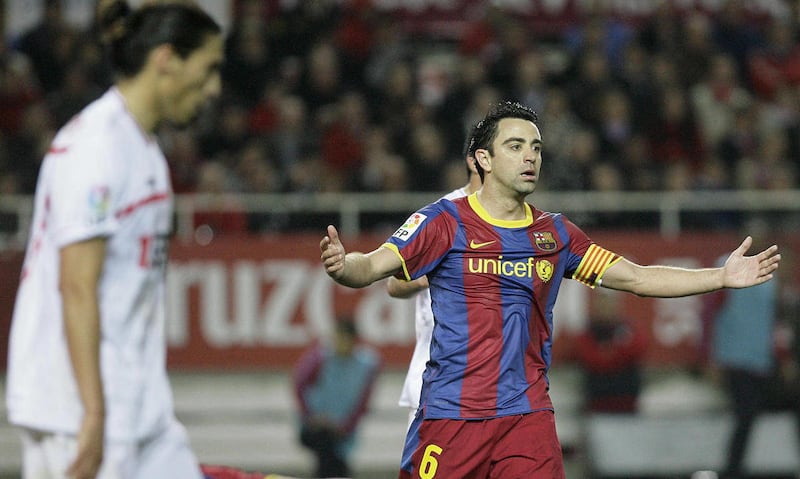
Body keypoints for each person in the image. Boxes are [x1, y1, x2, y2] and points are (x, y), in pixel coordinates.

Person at [318, 101, 781, 478]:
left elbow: (637, 278)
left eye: (536, 148)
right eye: (515, 146)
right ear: (484, 159)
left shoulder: (555, 235)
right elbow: (372, 267)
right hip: (450, 416)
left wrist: (719, 277)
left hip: (526, 417)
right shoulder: (442, 222)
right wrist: (343, 266)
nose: (530, 157)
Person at [5, 2, 223, 479]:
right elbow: (76, 286)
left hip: (139, 409)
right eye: (208, 69)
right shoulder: (95, 148)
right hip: (75, 411)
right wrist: (93, 414)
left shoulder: (143, 150)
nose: (214, 88)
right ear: (167, 60)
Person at [387, 143, 482, 428]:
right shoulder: (442, 215)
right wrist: (431, 275)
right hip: (436, 384)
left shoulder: (521, 221)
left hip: (496, 389)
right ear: (477, 160)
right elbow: (394, 283)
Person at [701, 219, 780, 479]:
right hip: (734, 358)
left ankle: (739, 467)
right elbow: (710, 314)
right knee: (744, 415)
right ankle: (733, 470)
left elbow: (769, 320)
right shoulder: (727, 266)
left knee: (749, 416)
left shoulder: (770, 274)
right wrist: (710, 356)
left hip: (760, 360)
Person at [293, 318, 381, 479]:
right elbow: (299, 384)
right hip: (315, 426)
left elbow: (363, 401)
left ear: (353, 340)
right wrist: (310, 416)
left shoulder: (366, 364)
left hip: (342, 429)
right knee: (330, 454)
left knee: (329, 459)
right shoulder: (320, 357)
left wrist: (347, 426)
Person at [574, 288, 647, 414]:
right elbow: (591, 358)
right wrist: (615, 353)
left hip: (626, 404)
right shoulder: (588, 332)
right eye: (602, 304)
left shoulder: (628, 330)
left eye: (609, 304)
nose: (605, 308)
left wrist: (609, 354)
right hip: (596, 404)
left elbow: (638, 348)